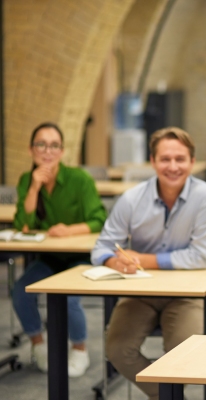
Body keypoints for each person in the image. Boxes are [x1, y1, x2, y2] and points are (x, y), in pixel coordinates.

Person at [91, 127, 206, 400]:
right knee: (117, 349)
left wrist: (143, 260)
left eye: (180, 159)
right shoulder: (131, 199)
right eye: (165, 159)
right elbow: (101, 247)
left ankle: (168, 393)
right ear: (152, 162)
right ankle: (167, 396)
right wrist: (116, 262)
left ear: (192, 161)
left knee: (183, 356)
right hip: (141, 293)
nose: (172, 166)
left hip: (188, 294)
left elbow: (202, 256)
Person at [12, 122, 107, 377]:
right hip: (50, 257)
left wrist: (70, 230)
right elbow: (23, 225)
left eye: (54, 145)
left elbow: (99, 220)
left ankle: (79, 348)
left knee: (68, 295)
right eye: (41, 145)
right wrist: (34, 187)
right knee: (20, 292)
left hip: (80, 257)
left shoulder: (79, 179)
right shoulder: (26, 179)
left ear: (62, 151)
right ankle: (38, 345)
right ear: (31, 150)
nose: (47, 151)